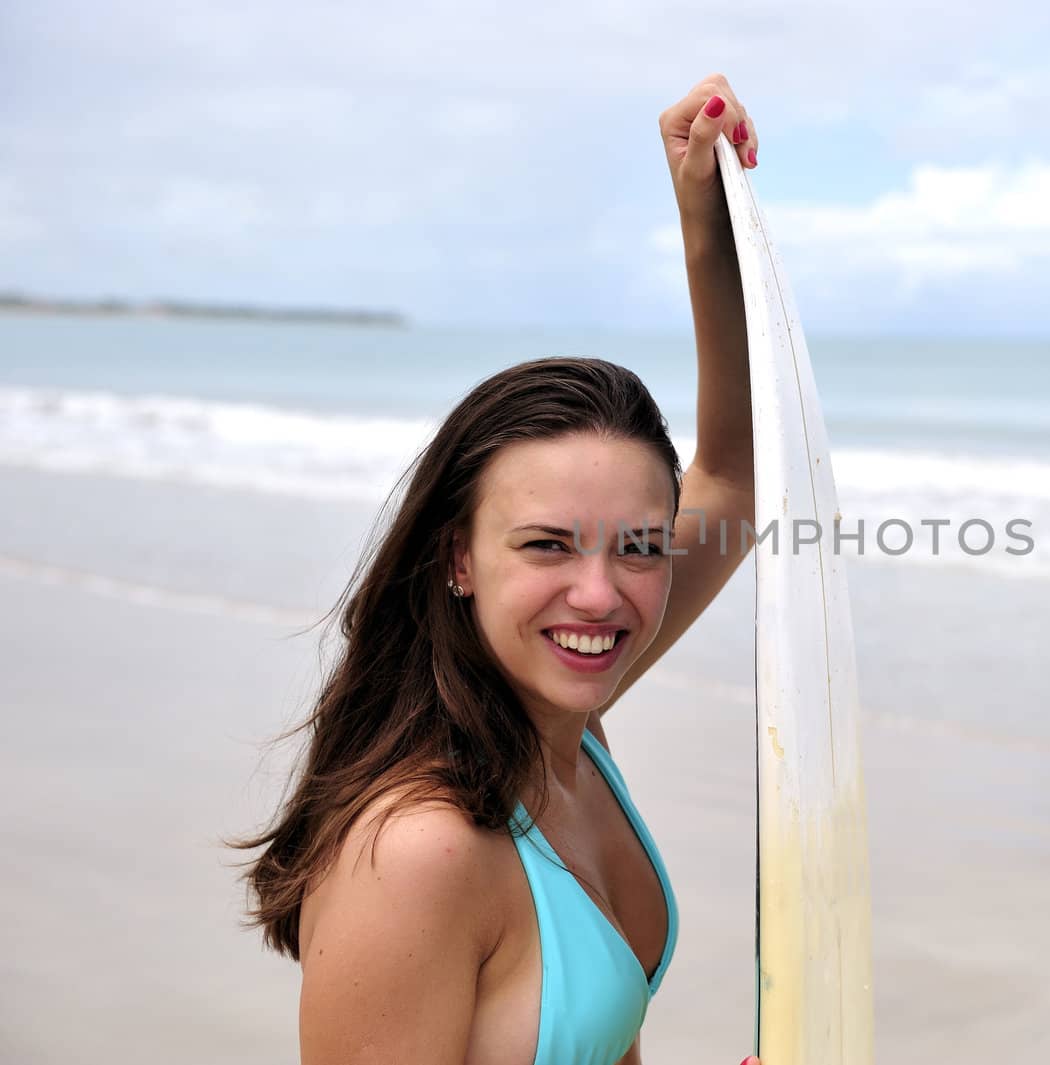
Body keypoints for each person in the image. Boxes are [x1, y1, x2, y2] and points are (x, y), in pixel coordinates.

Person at [230, 74, 765, 1065]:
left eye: (642, 546)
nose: (602, 595)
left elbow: (733, 474)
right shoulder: (420, 854)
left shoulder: (565, 722)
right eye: (546, 544)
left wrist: (705, 215)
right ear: (457, 560)